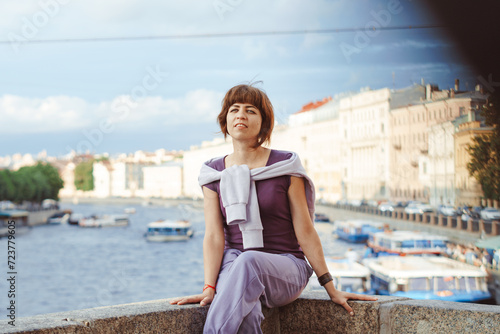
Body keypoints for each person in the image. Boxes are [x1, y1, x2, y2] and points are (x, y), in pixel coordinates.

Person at [169, 83, 377, 333]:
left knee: (249, 261)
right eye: (234, 109)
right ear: (225, 120)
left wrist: (330, 287)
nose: (241, 115)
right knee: (246, 311)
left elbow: (306, 230)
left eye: (251, 110)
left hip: (286, 266)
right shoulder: (213, 173)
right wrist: (209, 288)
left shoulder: (285, 165)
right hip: (235, 264)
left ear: (264, 122)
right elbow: (214, 235)